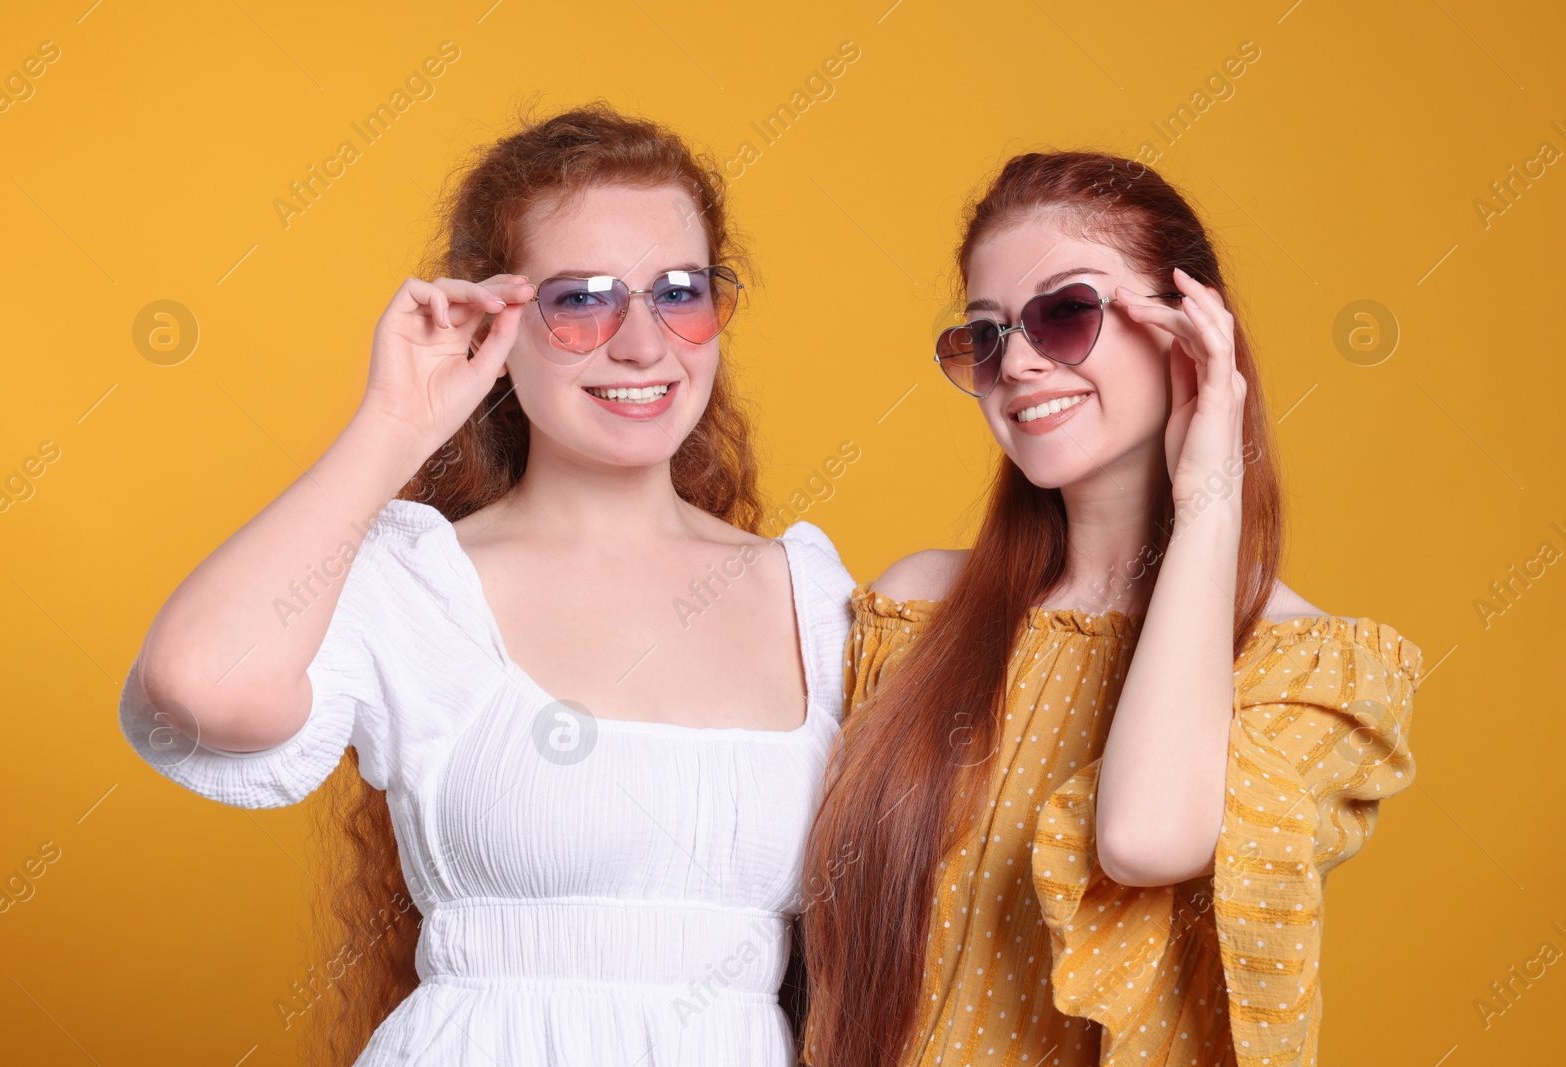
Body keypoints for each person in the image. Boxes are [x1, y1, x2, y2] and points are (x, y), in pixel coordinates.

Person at [117, 102, 855, 1066]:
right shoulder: (421, 583)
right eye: (581, 300)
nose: (642, 344)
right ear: (496, 323)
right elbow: (197, 685)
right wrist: (397, 418)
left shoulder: (810, 592)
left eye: (679, 291)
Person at [800, 151, 1422, 1067]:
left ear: (1193, 327)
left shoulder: (1308, 670)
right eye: (984, 333)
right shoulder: (915, 610)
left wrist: (1212, 491)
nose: (1015, 361)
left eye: (1065, 313)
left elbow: (1141, 838)